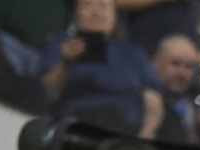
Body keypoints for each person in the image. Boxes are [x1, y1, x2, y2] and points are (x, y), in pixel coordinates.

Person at [39, 0, 164, 137]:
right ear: (76, 13)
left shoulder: (134, 54)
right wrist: (65, 62)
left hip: (123, 129)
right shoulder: (59, 43)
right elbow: (47, 91)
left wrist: (146, 134)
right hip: (74, 126)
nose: (96, 12)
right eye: (87, 5)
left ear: (114, 16)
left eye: (103, 6)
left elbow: (153, 101)